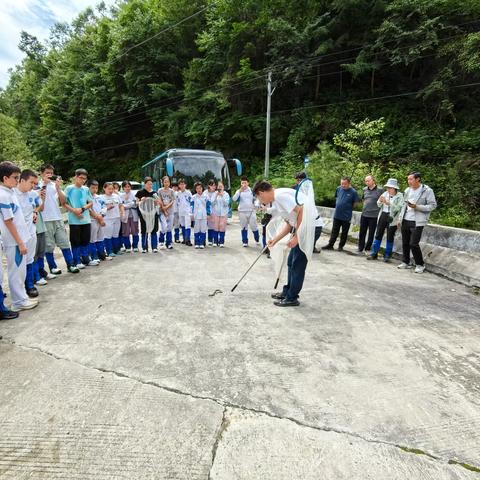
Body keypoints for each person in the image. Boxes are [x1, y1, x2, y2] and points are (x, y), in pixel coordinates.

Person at [253, 180, 312, 307]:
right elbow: (290, 222)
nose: (260, 201)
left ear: (262, 193)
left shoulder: (279, 196)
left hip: (309, 227)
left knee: (297, 264)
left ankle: (292, 298)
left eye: (259, 197)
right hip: (301, 227)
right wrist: (275, 240)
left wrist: (297, 236)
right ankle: (287, 292)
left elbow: (302, 211)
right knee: (291, 262)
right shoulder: (277, 198)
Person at [0, 161, 38, 312]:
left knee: (20, 270)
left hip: (20, 238)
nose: (17, 180)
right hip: (14, 241)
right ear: (5, 178)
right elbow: (8, 222)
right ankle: (18, 301)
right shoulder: (3, 195)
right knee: (16, 271)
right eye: (15, 177)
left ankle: (22, 297)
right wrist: (20, 242)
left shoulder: (9, 192)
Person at [40, 165, 79, 274]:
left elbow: (63, 201)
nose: (49, 175)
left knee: (64, 242)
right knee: (49, 245)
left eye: (51, 173)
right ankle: (53, 267)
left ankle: (70, 265)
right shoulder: (37, 185)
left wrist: (57, 187)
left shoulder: (54, 185)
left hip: (57, 217)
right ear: (42, 173)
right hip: (45, 219)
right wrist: (44, 184)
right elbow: (38, 198)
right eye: (47, 172)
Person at [397, 172, 437, 273]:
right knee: (405, 242)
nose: (409, 181)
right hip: (406, 219)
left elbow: (432, 206)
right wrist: (400, 218)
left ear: (417, 179)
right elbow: (403, 205)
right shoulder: (407, 190)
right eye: (408, 179)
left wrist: (417, 207)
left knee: (413, 244)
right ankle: (406, 262)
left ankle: (420, 264)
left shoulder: (427, 191)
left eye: (411, 179)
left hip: (417, 221)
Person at [64, 169, 96, 268]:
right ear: (76, 177)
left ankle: (86, 259)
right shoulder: (69, 188)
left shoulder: (86, 189)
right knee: (75, 241)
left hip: (85, 219)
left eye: (84, 179)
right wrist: (74, 211)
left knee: (85, 240)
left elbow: (90, 202)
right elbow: (64, 203)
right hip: (74, 220)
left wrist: (82, 209)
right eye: (81, 178)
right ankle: (77, 261)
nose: (82, 180)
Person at [15, 169, 40, 298]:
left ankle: (29, 285)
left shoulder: (33, 194)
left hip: (31, 232)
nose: (33, 186)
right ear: (22, 180)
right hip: (16, 236)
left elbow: (37, 207)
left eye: (35, 183)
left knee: (30, 259)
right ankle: (18, 290)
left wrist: (35, 212)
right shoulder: (12, 194)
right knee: (17, 264)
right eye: (31, 182)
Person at [367, 178, 403, 262]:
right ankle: (374, 253)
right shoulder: (385, 193)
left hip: (392, 217)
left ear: (395, 188)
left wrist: (388, 203)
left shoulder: (400, 195)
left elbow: (399, 208)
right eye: (387, 187)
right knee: (378, 234)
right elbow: (378, 204)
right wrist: (380, 201)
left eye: (390, 188)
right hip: (383, 214)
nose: (388, 189)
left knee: (390, 236)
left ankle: (387, 255)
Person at [322, 176, 360, 251]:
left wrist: (347, 207)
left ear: (349, 183)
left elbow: (355, 203)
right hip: (337, 214)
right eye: (341, 183)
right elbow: (337, 198)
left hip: (346, 216)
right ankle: (330, 244)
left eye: (344, 184)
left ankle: (340, 246)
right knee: (334, 231)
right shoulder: (338, 189)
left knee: (344, 232)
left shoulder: (353, 192)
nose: (343, 185)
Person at [356, 175, 383, 254]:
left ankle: (367, 248)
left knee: (371, 233)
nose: (367, 182)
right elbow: (363, 199)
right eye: (365, 181)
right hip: (364, 214)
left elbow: (382, 201)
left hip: (374, 215)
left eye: (368, 181)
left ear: (373, 181)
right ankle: (360, 248)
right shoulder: (364, 189)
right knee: (362, 232)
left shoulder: (380, 190)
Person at [232, 176, 260, 247]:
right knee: (244, 226)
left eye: (245, 183)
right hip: (242, 211)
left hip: (251, 211)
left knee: (254, 226)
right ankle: (245, 241)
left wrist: (256, 205)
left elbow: (256, 199)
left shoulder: (251, 190)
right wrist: (239, 191)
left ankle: (257, 239)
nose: (243, 184)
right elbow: (234, 199)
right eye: (242, 183)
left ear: (248, 183)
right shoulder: (239, 191)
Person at [135, 177, 159, 253]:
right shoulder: (140, 192)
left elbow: (158, 203)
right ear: (144, 184)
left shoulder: (154, 193)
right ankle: (144, 247)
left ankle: (154, 247)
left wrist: (156, 202)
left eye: (151, 184)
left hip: (153, 214)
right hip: (143, 215)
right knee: (144, 231)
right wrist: (141, 201)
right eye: (148, 184)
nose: (150, 186)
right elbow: (136, 203)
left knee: (154, 230)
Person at [88, 180, 110, 262]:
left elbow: (104, 207)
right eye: (92, 188)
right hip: (92, 220)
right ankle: (94, 257)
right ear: (88, 188)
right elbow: (89, 210)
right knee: (92, 239)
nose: (94, 190)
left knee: (100, 238)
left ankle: (102, 256)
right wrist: (98, 217)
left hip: (100, 219)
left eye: (96, 188)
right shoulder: (87, 198)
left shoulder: (99, 197)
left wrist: (101, 215)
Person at [102, 182, 124, 257]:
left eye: (112, 189)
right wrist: (107, 208)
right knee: (108, 235)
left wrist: (122, 213)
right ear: (104, 188)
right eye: (109, 189)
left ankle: (116, 250)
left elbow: (121, 205)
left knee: (116, 235)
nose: (111, 190)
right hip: (107, 219)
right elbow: (99, 209)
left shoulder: (116, 196)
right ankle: (109, 251)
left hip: (117, 218)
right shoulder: (101, 198)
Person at [120, 181, 140, 252]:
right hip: (125, 216)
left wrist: (126, 205)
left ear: (130, 187)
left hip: (134, 215)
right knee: (126, 232)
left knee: (135, 231)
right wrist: (129, 203)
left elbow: (135, 204)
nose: (127, 188)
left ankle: (135, 246)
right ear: (123, 188)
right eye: (125, 187)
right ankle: (127, 246)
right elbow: (120, 205)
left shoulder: (135, 194)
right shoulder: (121, 196)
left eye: (128, 186)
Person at [158, 176, 176, 250]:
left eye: (168, 182)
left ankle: (169, 243)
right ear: (162, 182)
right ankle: (161, 241)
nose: (166, 183)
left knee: (169, 228)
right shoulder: (160, 191)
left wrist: (167, 207)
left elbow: (172, 201)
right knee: (164, 227)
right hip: (162, 211)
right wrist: (164, 210)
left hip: (171, 211)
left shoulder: (171, 191)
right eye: (165, 182)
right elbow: (159, 200)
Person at [211, 181, 230, 247]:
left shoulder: (226, 194)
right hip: (216, 212)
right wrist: (216, 196)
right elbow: (212, 203)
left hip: (224, 213)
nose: (220, 188)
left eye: (221, 187)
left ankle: (221, 242)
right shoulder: (214, 194)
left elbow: (226, 204)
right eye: (219, 187)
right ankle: (215, 241)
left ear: (223, 187)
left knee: (222, 227)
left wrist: (222, 196)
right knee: (216, 226)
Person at [192, 182, 209, 249]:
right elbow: (191, 206)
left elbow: (208, 206)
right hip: (196, 216)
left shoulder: (206, 197)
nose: (199, 190)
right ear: (195, 189)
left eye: (200, 188)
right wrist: (191, 214)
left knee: (203, 229)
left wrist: (208, 214)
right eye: (197, 188)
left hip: (204, 216)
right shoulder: (193, 197)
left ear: (202, 188)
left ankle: (202, 243)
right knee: (196, 229)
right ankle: (196, 243)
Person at [176, 179, 193, 246]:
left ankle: (188, 240)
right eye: (180, 184)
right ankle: (184, 239)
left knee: (187, 225)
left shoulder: (188, 192)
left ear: (185, 185)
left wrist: (191, 211)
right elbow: (177, 203)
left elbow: (191, 202)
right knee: (182, 225)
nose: (182, 185)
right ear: (179, 185)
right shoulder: (178, 194)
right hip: (181, 211)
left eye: (183, 184)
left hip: (187, 212)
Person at [205, 179, 217, 246]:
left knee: (213, 226)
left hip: (214, 211)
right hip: (207, 212)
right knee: (208, 226)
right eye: (213, 185)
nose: (214, 187)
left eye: (215, 185)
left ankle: (214, 240)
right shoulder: (205, 192)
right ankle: (209, 240)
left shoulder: (216, 193)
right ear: (209, 186)